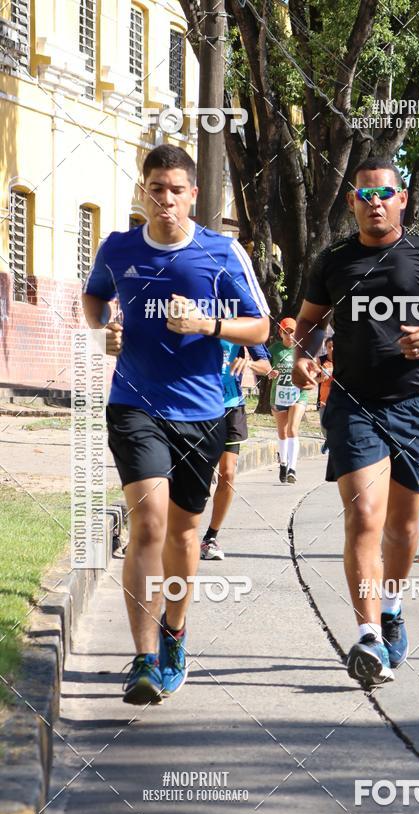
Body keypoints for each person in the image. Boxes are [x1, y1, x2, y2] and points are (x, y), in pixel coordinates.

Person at [83, 144, 269, 704]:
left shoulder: (222, 251)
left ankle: (174, 633)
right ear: (144, 192)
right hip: (134, 404)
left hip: (204, 410)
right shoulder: (116, 248)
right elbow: (94, 299)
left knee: (186, 534)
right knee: (149, 523)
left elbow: (259, 328)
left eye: (176, 190)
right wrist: (103, 330)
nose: (166, 199)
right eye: (156, 188)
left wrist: (209, 324)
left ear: (193, 195)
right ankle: (141, 659)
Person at [291, 156, 419, 687]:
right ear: (352, 202)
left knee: (401, 527)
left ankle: (392, 608)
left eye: (384, 194)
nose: (374, 203)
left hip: (416, 404)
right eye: (364, 195)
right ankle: (368, 635)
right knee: (364, 518)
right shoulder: (333, 262)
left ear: (402, 201)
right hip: (353, 405)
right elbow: (308, 322)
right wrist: (305, 356)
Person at [200, 341, 271, 560]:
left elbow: (266, 366)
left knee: (228, 473)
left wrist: (248, 363)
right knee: (196, 476)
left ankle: (210, 538)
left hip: (232, 405)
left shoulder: (242, 320)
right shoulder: (197, 314)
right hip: (199, 405)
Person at [268, 318, 310, 483]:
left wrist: (310, 377)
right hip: (278, 395)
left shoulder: (302, 349)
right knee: (282, 432)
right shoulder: (273, 350)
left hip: (299, 395)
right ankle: (283, 464)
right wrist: (269, 372)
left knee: (293, 429)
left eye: (293, 332)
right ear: (281, 332)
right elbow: (263, 366)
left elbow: (311, 368)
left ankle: (292, 469)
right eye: (287, 332)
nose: (290, 335)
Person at [317, 335, 334, 452]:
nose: (332, 349)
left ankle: (332, 443)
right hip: (323, 399)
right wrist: (321, 378)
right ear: (326, 348)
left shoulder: (344, 361)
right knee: (324, 426)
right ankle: (329, 440)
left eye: (334, 347)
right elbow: (313, 379)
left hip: (339, 399)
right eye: (329, 347)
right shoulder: (321, 360)